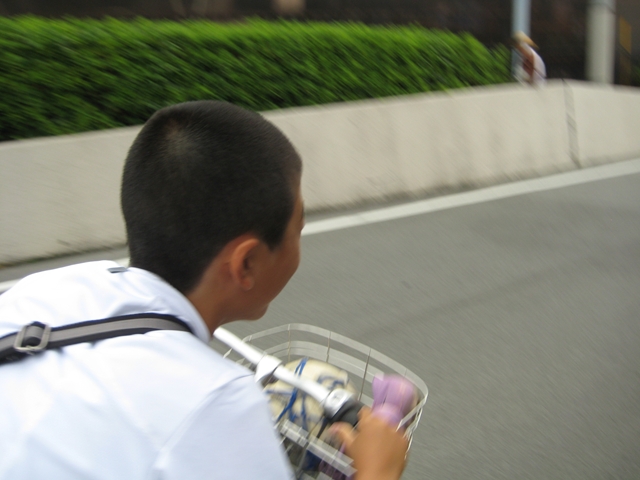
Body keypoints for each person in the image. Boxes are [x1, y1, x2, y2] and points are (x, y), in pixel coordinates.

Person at [0, 101, 408, 479]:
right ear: (246, 263)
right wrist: (379, 472)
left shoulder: (44, 289)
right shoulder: (217, 405)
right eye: (297, 229)